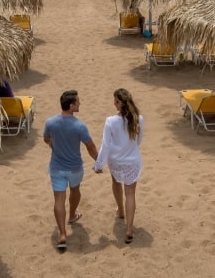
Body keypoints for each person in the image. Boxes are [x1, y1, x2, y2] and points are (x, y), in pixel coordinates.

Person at [43, 90, 98, 251]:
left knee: (59, 200)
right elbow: (91, 147)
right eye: (78, 102)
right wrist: (99, 162)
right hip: (74, 168)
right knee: (75, 191)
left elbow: (46, 139)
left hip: (56, 167)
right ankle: (72, 215)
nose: (80, 104)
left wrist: (54, 146)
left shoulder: (50, 122)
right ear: (71, 106)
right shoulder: (79, 126)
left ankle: (62, 234)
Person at [92, 88, 144, 244]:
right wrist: (131, 148)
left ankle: (120, 210)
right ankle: (129, 229)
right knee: (131, 193)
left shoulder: (110, 121)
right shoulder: (139, 118)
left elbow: (105, 145)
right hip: (132, 160)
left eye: (115, 101)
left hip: (116, 161)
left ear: (118, 103)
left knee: (115, 183)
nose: (113, 104)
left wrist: (98, 164)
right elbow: (139, 141)